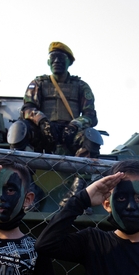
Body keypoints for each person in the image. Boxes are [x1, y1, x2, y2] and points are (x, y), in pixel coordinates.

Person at [8, 42, 101, 205]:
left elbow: (90, 116)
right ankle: (27, 185)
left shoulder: (81, 86)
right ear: (48, 62)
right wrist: (42, 121)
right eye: (53, 58)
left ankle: (78, 189)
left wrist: (75, 125)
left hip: (70, 134)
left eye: (61, 58)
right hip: (44, 133)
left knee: (91, 137)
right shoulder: (39, 83)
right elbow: (27, 108)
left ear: (69, 62)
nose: (56, 61)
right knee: (19, 129)